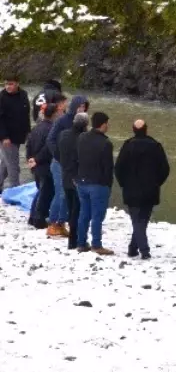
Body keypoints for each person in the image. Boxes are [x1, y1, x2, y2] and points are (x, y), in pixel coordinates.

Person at [115, 118, 170, 259]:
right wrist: (157, 183)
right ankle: (137, 249)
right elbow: (165, 169)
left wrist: (123, 184)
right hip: (150, 190)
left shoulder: (127, 146)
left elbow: (118, 168)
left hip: (131, 190)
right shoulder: (156, 146)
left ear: (133, 130)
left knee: (137, 221)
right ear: (146, 129)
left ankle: (139, 249)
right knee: (142, 221)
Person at [46, 94, 88, 238]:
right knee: (61, 194)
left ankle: (61, 223)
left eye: (84, 106)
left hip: (73, 165)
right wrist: (59, 156)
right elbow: (50, 139)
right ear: (75, 106)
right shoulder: (62, 120)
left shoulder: (83, 123)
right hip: (59, 164)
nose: (82, 108)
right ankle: (52, 223)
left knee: (69, 194)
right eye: (80, 106)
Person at [75, 111, 115, 255]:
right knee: (97, 216)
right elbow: (108, 168)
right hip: (98, 184)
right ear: (103, 124)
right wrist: (108, 185)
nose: (108, 126)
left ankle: (81, 243)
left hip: (82, 181)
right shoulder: (106, 143)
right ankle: (96, 245)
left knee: (84, 213)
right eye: (107, 123)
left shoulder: (82, 137)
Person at [25, 94, 64, 229]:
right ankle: (39, 219)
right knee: (45, 193)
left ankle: (32, 217)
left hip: (35, 165)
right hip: (45, 165)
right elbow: (48, 148)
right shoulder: (52, 129)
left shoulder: (36, 127)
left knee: (40, 191)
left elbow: (28, 144)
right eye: (58, 112)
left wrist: (30, 159)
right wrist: (36, 159)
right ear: (53, 114)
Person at [57, 111, 89, 251]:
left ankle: (72, 240)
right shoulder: (83, 138)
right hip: (77, 178)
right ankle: (74, 241)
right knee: (78, 211)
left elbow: (58, 152)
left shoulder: (63, 134)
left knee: (71, 209)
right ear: (85, 125)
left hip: (65, 176)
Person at [0, 76, 31, 191]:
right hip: (6, 138)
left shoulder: (23, 94)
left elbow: (26, 114)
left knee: (5, 164)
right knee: (13, 166)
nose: (8, 86)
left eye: (11, 84)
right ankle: (15, 191)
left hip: (19, 136)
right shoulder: (2, 97)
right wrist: (4, 137)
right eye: (6, 84)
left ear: (17, 83)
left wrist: (28, 131)